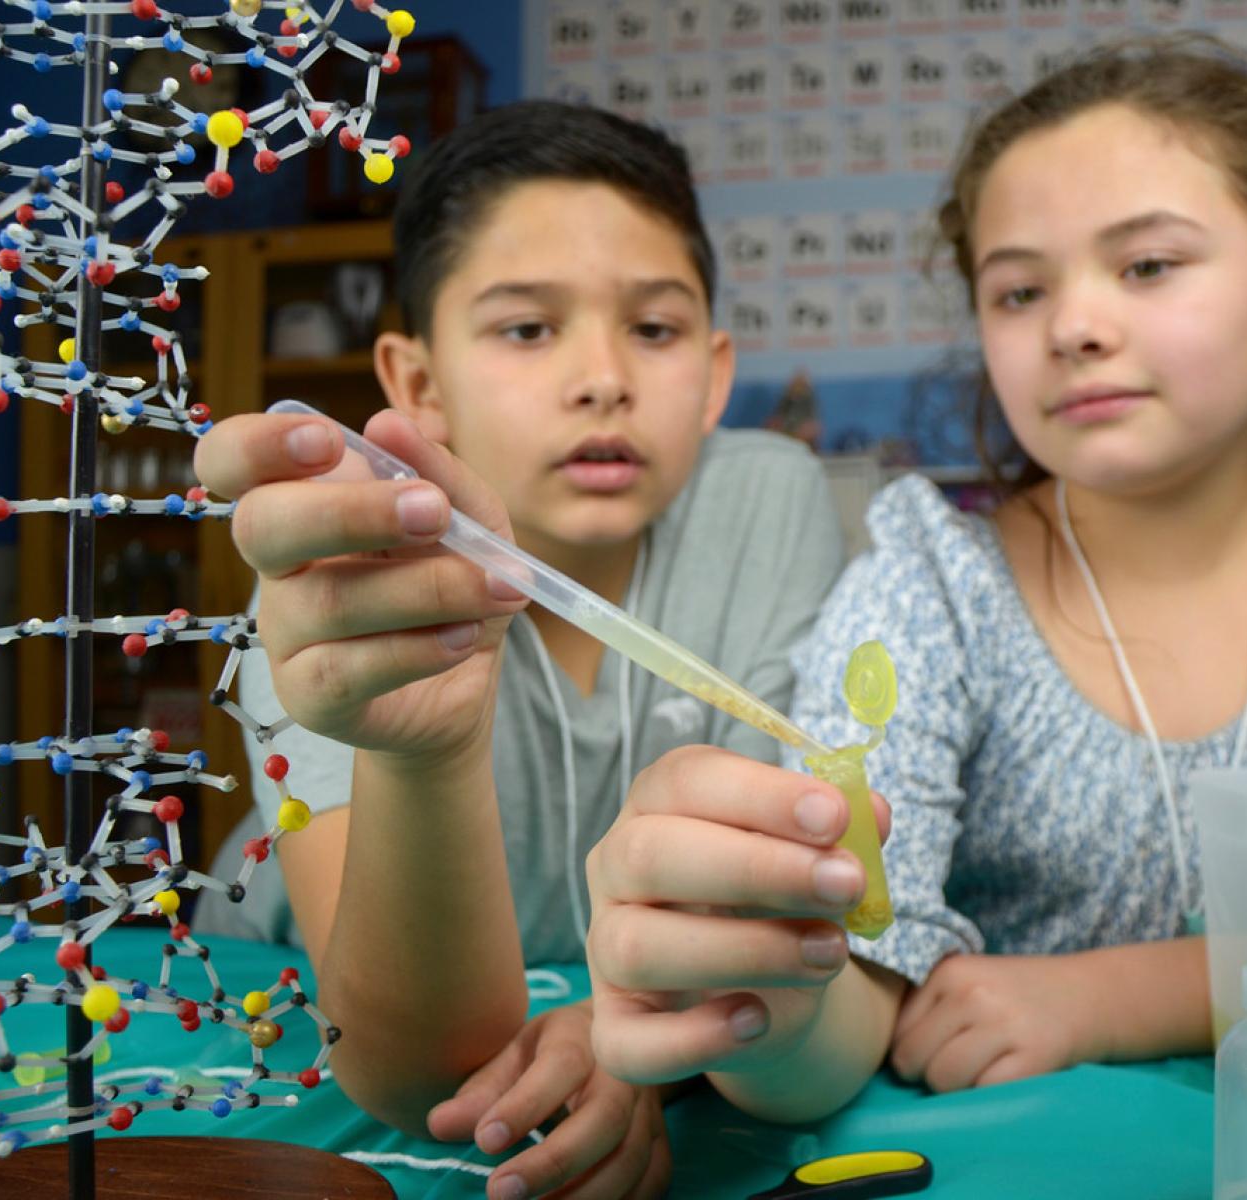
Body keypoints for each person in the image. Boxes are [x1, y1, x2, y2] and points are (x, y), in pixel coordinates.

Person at [580, 36, 1247, 1123]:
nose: (1075, 327)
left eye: (1147, 266)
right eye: (1017, 291)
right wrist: (765, 1005)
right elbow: (857, 988)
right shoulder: (931, 585)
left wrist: (1108, 998)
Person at [192, 101, 846, 1196]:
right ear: (415, 382)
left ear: (718, 372)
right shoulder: (344, 584)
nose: (602, 376)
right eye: (527, 329)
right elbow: (414, 1070)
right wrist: (421, 753)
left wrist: (626, 1028)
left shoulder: (770, 501)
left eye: (655, 327)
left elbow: (778, 910)